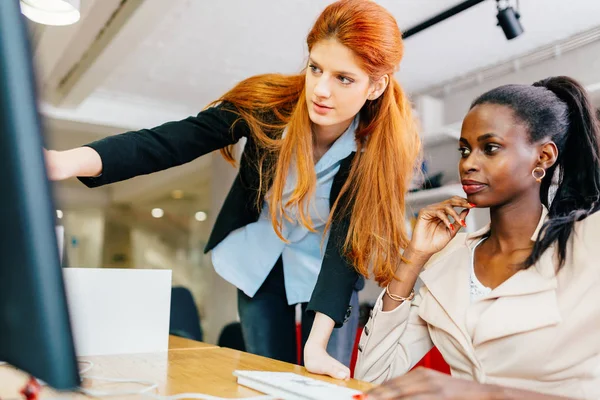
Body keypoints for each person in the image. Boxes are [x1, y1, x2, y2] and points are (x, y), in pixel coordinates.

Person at [45, 0, 420, 379]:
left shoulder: (378, 152)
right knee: (266, 375)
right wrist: (68, 161)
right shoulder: (268, 105)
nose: (321, 90)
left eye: (344, 78)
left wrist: (316, 344)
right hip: (260, 260)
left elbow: (345, 246)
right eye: (316, 68)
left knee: (320, 374)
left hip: (328, 273)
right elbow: (172, 141)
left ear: (376, 86)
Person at [356, 76, 600, 399]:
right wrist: (414, 257)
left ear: (543, 157)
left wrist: (481, 394)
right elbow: (371, 375)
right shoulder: (450, 260)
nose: (469, 163)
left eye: (490, 148)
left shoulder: (586, 246)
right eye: (464, 150)